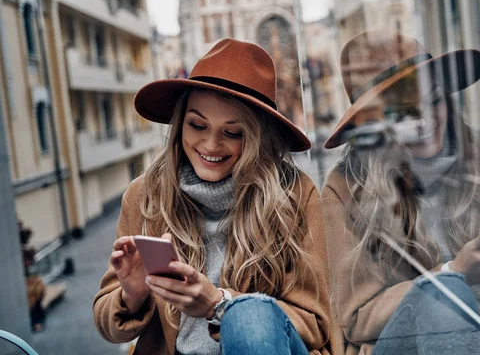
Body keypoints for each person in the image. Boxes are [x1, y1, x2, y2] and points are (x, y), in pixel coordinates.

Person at [321, 28, 480, 355]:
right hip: (406, 346)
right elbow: (355, 318)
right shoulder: (345, 187)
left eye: (434, 100)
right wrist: (453, 275)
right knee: (443, 305)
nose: (426, 120)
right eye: (405, 112)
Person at [93, 39, 331, 355]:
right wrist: (131, 295)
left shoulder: (295, 194)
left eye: (232, 132)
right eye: (197, 125)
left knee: (251, 315)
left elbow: (316, 323)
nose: (210, 144)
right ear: (179, 125)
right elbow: (107, 322)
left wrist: (220, 305)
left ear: (258, 138)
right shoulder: (144, 195)